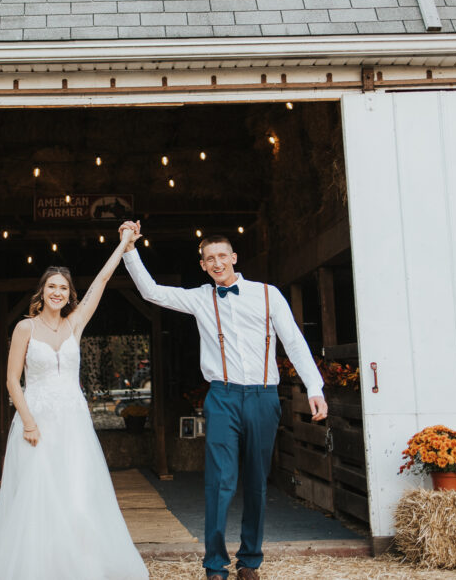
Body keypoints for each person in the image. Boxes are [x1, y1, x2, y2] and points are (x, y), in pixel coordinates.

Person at [118, 220, 328, 580]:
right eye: (208, 259)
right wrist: (130, 249)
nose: (216, 263)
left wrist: (314, 388)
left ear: (234, 256)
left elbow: (293, 341)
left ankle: (250, 561)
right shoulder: (200, 298)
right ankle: (215, 565)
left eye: (221, 256)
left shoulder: (268, 294)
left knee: (257, 481)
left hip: (263, 396)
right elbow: (152, 292)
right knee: (220, 481)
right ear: (202, 265)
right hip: (223, 397)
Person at [0, 230, 148, 580]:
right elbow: (11, 380)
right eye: (52, 286)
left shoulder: (74, 324)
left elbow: (101, 281)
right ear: (42, 292)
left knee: (76, 493)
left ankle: (76, 564)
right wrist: (29, 422)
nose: (57, 292)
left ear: (70, 295)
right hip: (36, 421)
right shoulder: (25, 328)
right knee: (37, 496)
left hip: (73, 421)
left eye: (64, 288)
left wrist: (122, 245)